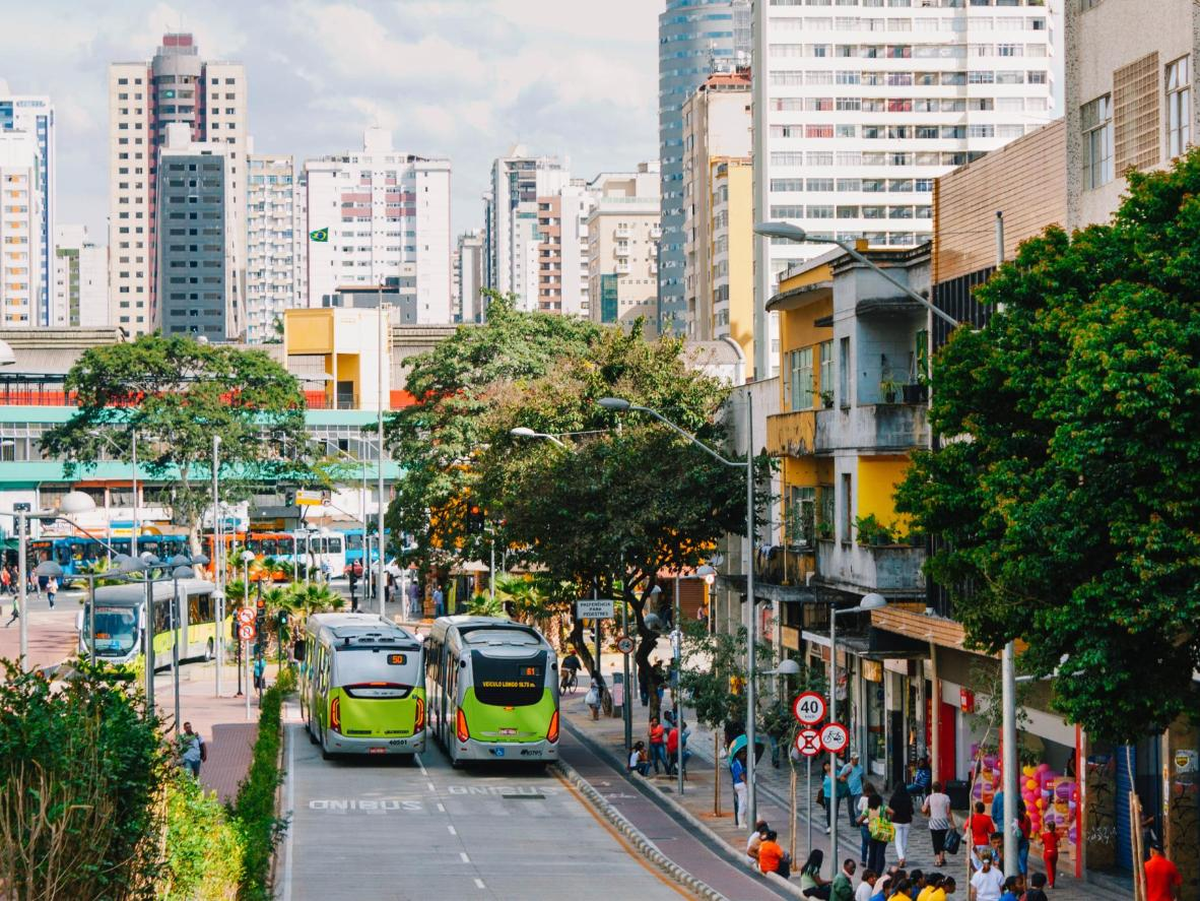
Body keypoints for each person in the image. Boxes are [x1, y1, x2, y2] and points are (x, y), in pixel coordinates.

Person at [923, 782, 956, 867]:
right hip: (943, 822)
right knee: (942, 840)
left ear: (933, 789)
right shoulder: (946, 797)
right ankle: (942, 857)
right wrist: (952, 823)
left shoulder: (929, 797)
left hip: (933, 822)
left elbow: (924, 809)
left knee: (935, 841)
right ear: (941, 788)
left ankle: (937, 859)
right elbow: (948, 812)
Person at [889, 783, 914, 867]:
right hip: (907, 821)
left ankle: (901, 858)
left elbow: (890, 810)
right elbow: (911, 811)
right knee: (904, 840)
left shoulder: (893, 798)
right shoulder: (908, 798)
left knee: (898, 841)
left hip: (896, 821)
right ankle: (903, 858)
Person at [865, 791, 888, 876]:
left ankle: (870, 871)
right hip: (882, 832)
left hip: (872, 832)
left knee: (872, 853)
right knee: (880, 853)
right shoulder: (883, 808)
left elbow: (860, 820)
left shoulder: (868, 810)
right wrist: (888, 820)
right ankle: (878, 873)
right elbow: (892, 812)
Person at [841, 752, 865, 831]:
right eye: (855, 759)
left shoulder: (860, 767)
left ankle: (858, 822)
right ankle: (852, 821)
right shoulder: (846, 767)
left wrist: (862, 787)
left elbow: (862, 777)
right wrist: (848, 772)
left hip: (859, 790)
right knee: (850, 807)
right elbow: (841, 778)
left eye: (858, 759)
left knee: (859, 807)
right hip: (850, 790)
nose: (857, 760)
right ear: (851, 759)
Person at [856, 781, 876, 865]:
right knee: (872, 844)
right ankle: (872, 860)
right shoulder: (876, 798)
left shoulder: (862, 799)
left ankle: (863, 860)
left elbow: (859, 808)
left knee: (864, 843)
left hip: (864, 823)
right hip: (873, 823)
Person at [731, 748, 748, 828]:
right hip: (741, 784)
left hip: (737, 784)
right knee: (742, 804)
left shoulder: (734, 763)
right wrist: (746, 782)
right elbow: (741, 774)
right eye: (744, 754)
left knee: (743, 803)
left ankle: (743, 821)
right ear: (739, 755)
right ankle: (741, 823)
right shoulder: (738, 763)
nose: (745, 756)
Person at [1015, 805, 1031, 877]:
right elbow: (1029, 829)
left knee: (1017, 861)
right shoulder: (1027, 818)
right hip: (1025, 841)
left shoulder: (1014, 819)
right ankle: (1024, 878)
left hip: (1016, 842)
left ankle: (1019, 878)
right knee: (1023, 861)